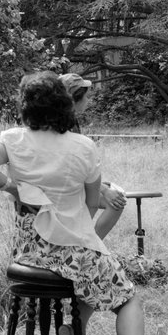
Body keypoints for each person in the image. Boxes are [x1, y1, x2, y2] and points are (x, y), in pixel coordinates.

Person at [0, 71, 168, 335]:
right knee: (128, 296)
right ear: (65, 104)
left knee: (90, 273)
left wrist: (13, 188)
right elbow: (93, 202)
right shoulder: (83, 146)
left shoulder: (12, 139)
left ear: (26, 106)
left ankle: (72, 333)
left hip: (27, 253)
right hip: (72, 251)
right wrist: (80, 232)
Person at [60, 73, 127, 238]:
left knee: (113, 199)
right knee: (115, 202)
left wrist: (98, 185)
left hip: (70, 183)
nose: (88, 100)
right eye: (86, 96)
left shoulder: (69, 119)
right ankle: (90, 247)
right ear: (76, 98)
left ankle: (89, 246)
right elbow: (71, 164)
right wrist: (102, 189)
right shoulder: (63, 124)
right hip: (64, 188)